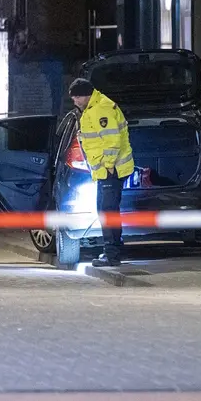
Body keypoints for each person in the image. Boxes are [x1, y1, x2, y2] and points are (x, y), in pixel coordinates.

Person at [69, 78, 134, 267]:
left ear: (85, 95)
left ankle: (111, 254)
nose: (75, 102)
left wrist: (108, 165)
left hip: (109, 171)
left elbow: (112, 140)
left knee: (107, 212)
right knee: (108, 211)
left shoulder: (100, 109)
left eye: (76, 98)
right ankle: (114, 250)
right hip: (106, 171)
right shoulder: (95, 107)